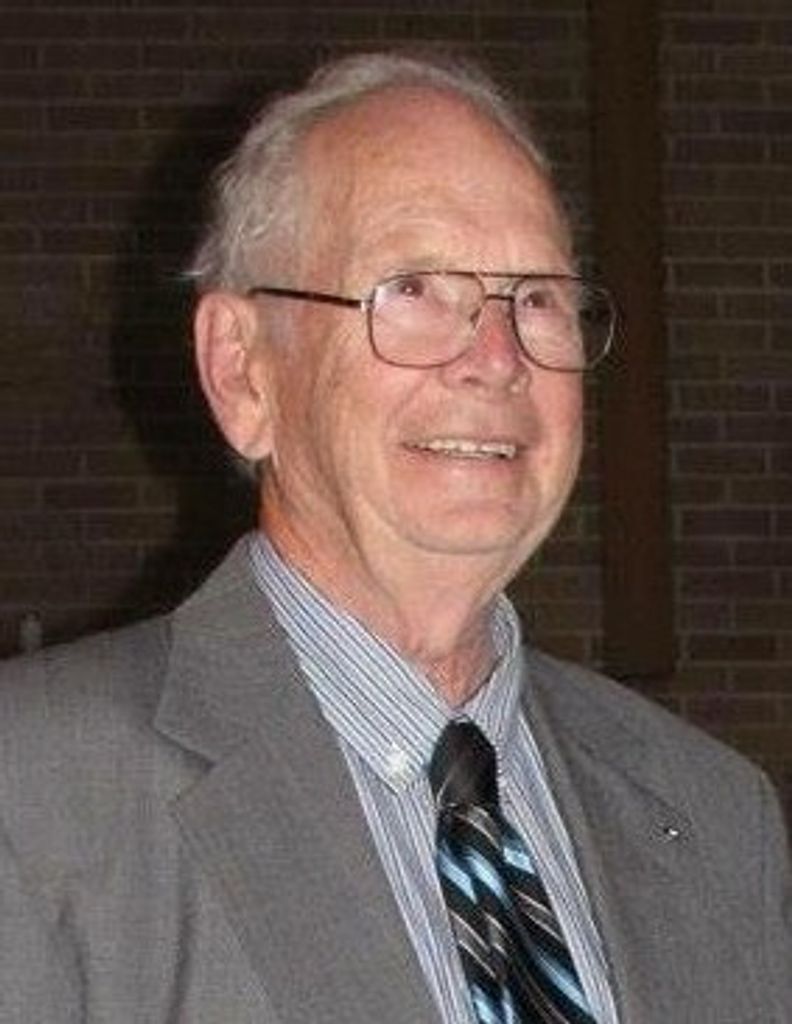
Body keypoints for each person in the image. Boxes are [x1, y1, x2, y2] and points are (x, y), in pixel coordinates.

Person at [0, 52, 789, 1024]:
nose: (496, 358)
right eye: (413, 288)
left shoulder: (713, 812)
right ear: (243, 372)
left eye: (538, 298)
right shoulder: (33, 795)